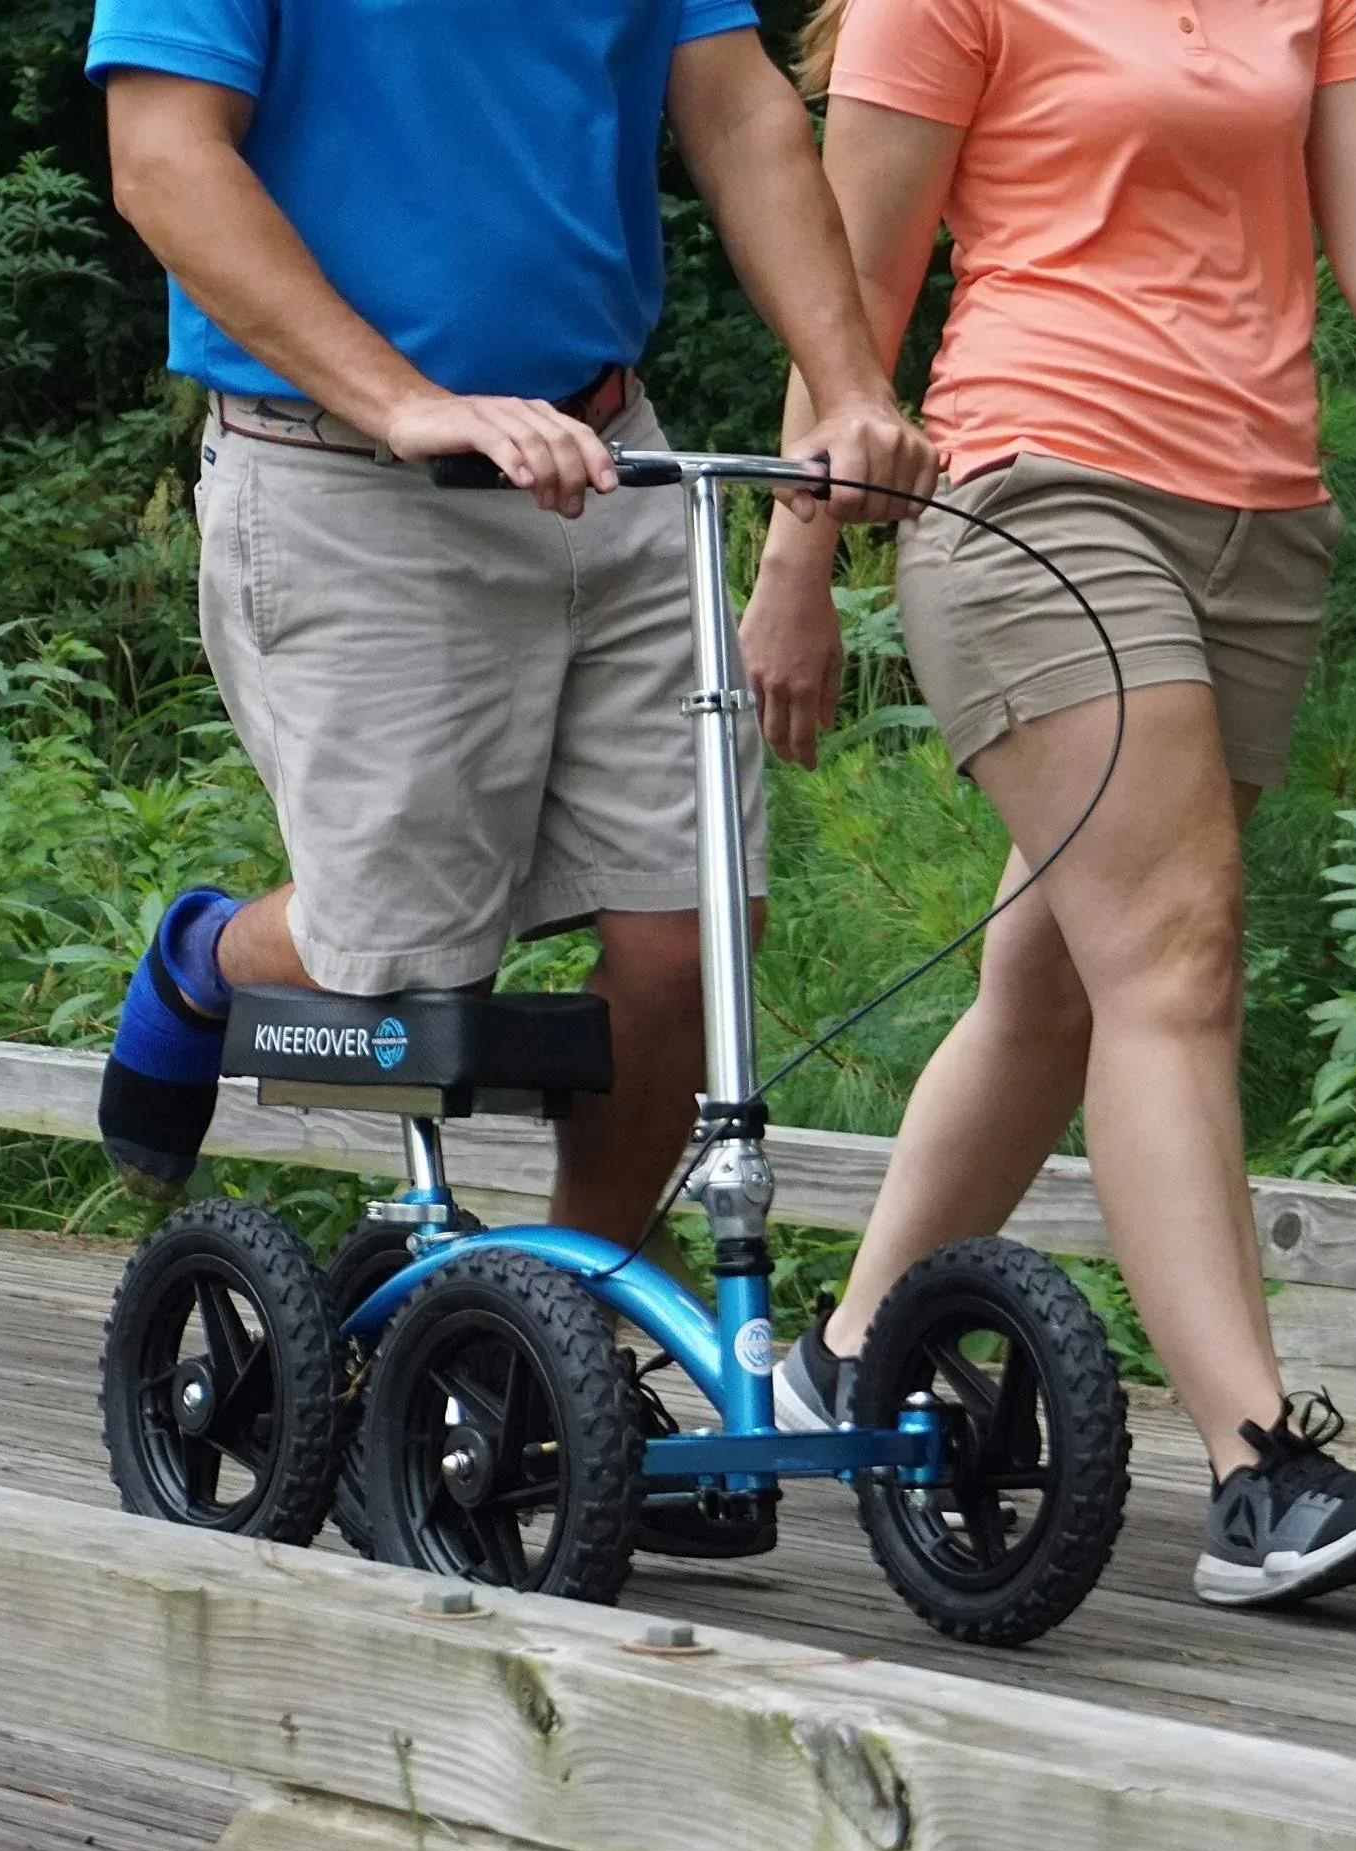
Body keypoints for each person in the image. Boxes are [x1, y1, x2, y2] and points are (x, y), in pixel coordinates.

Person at [745, 0, 1356, 1608]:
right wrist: (798, 560)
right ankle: (1260, 1472)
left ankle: (844, 1356)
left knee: (1058, 980)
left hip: (1261, 521)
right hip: (1032, 493)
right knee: (1175, 956)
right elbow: (854, 292)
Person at [82, 0, 936, 1242]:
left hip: (607, 455)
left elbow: (737, 107)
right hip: (349, 472)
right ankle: (204, 963)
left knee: (693, 936)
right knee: (411, 977)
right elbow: (161, 156)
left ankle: (564, 1329)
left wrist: (849, 385)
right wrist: (404, 399)